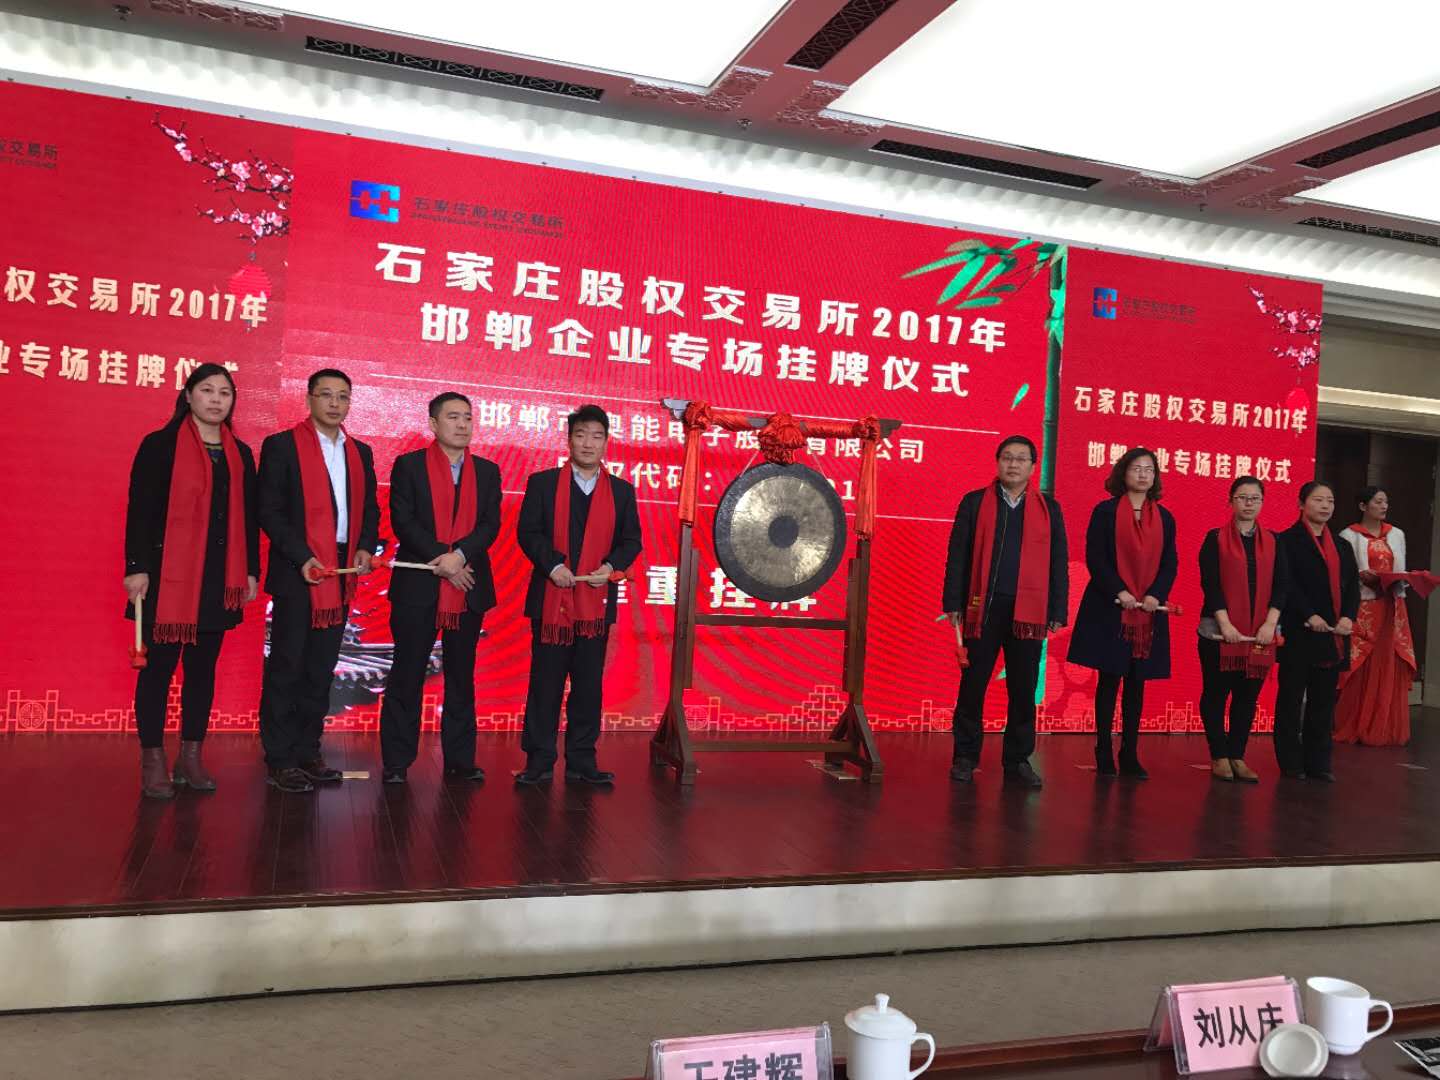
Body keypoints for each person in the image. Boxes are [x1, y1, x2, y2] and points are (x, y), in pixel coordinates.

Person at [123, 364, 259, 799]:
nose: (216, 400)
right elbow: (140, 510)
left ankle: (191, 756)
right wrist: (136, 567)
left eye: (225, 393)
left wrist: (250, 570)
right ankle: (152, 760)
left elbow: (248, 518)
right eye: (207, 390)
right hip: (167, 578)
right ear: (188, 396)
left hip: (218, 579)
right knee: (158, 671)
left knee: (202, 671)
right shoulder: (159, 445)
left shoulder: (241, 454)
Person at [256, 369, 379, 793]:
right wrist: (302, 555)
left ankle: (308, 751)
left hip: (342, 570)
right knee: (287, 664)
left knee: (321, 667)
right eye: (326, 395)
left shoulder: (360, 452)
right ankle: (280, 758)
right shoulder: (282, 446)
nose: (334, 403)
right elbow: (268, 510)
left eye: (342, 396)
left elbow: (370, 509)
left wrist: (365, 547)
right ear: (308, 399)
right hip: (299, 567)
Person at [514, 405, 642, 786]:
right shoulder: (543, 483)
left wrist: (610, 566)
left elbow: (631, 540)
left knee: (588, 685)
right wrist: (552, 565)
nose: (588, 443)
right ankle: (538, 760)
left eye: (596, 436)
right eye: (581, 435)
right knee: (545, 684)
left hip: (595, 606)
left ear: (606, 442)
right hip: (551, 599)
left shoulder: (621, 491)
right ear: (569, 440)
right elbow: (528, 532)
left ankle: (582, 761)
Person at [378, 393, 502, 784]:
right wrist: (442, 560)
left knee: (461, 676)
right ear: (433, 424)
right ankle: (397, 761)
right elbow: (403, 521)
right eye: (453, 417)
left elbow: (490, 525)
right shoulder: (409, 465)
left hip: (468, 584)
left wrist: (460, 556)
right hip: (419, 586)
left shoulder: (487, 472)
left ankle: (460, 760)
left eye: (468, 418)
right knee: (408, 672)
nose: (462, 425)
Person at [941, 435, 1069, 788]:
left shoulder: (1049, 509)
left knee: (1024, 689)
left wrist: (1058, 608)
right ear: (998, 462)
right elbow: (958, 555)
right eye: (1007, 458)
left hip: (1029, 614)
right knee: (973, 685)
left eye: (1021, 459)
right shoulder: (975, 503)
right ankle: (965, 756)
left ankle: (1017, 760)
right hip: (983, 609)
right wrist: (952, 602)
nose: (1013, 464)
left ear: (1032, 466)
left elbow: (1058, 561)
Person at [1069, 447, 1178, 780]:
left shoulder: (1165, 518)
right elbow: (1096, 558)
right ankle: (1103, 749)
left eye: (1149, 469)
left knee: (1136, 682)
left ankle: (1129, 752)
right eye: (1136, 468)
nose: (1143, 474)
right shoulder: (1105, 512)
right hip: (1110, 607)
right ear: (1123, 473)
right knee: (1109, 679)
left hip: (1147, 612)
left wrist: (1155, 595)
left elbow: (1170, 563)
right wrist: (1120, 591)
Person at [1196, 476, 1289, 783]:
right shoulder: (1215, 538)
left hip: (1260, 632)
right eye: (1242, 497)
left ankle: (1237, 755)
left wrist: (1270, 623)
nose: (1249, 504)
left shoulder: (1274, 541)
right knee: (1216, 693)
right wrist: (1226, 624)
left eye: (1255, 498)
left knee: (1247, 696)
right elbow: (1210, 584)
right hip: (1219, 630)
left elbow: (1282, 586)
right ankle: (1219, 755)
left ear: (1262, 503)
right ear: (1231, 501)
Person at [1275, 481, 1359, 781]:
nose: (1325, 506)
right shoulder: (1286, 540)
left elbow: (1352, 587)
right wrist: (1308, 614)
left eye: (1330, 501)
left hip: (1333, 634)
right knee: (1291, 699)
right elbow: (1286, 585)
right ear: (1301, 504)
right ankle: (1290, 762)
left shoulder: (1342, 545)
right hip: (1299, 631)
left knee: (1323, 702)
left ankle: (1319, 762)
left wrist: (1348, 617)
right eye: (1318, 500)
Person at [1335, 486, 1415, 746]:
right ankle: (1352, 722)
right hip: (1363, 606)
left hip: (1391, 606)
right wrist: (1363, 578)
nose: (1384, 506)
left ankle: (1384, 727)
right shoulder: (1348, 535)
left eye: (1386, 502)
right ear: (1363, 506)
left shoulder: (1397, 534)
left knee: (1388, 661)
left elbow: (1400, 568)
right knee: (1358, 663)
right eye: (1378, 502)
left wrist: (1401, 581)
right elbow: (1344, 576)